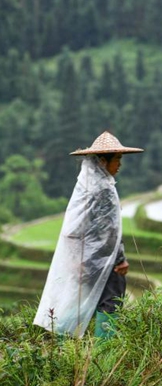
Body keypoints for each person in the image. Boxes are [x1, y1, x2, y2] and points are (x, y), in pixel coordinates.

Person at [33, 131, 143, 339]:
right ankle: (104, 350)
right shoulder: (105, 191)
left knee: (76, 298)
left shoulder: (85, 187)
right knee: (112, 299)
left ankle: (62, 345)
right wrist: (120, 259)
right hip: (102, 259)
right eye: (117, 159)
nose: (119, 164)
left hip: (83, 259)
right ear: (103, 161)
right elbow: (110, 231)